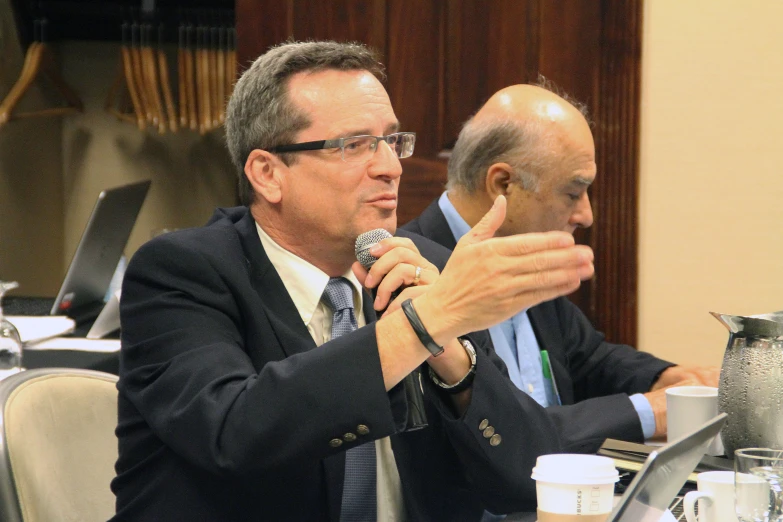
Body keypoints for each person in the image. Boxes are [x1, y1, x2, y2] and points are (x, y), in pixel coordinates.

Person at [110, 42, 597, 521]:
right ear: (267, 173)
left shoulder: (420, 268)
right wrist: (423, 324)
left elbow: (522, 478)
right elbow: (236, 431)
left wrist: (452, 358)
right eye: (354, 145)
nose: (390, 166)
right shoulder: (182, 272)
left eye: (391, 140)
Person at [402, 81, 719, 454]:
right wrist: (653, 411)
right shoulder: (414, 278)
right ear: (503, 184)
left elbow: (590, 359)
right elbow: (514, 434)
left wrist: (668, 378)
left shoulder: (524, 252)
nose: (586, 215)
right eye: (572, 192)